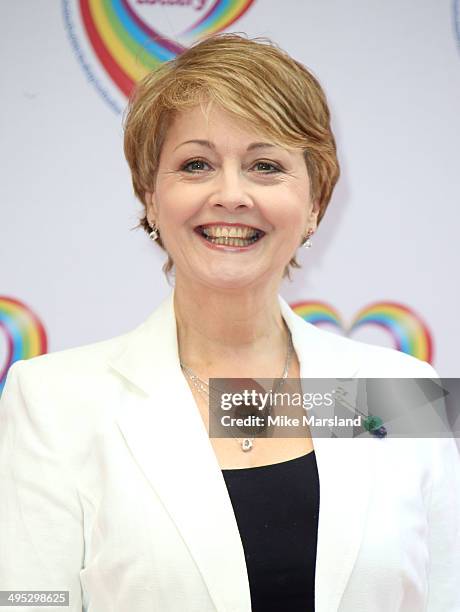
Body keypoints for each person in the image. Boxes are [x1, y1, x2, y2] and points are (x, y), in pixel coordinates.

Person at [0, 33, 459, 612]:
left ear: (315, 202)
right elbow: (28, 603)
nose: (231, 195)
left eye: (266, 166)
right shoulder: (55, 400)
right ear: (149, 196)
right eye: (196, 165)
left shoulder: (400, 394)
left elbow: (445, 593)